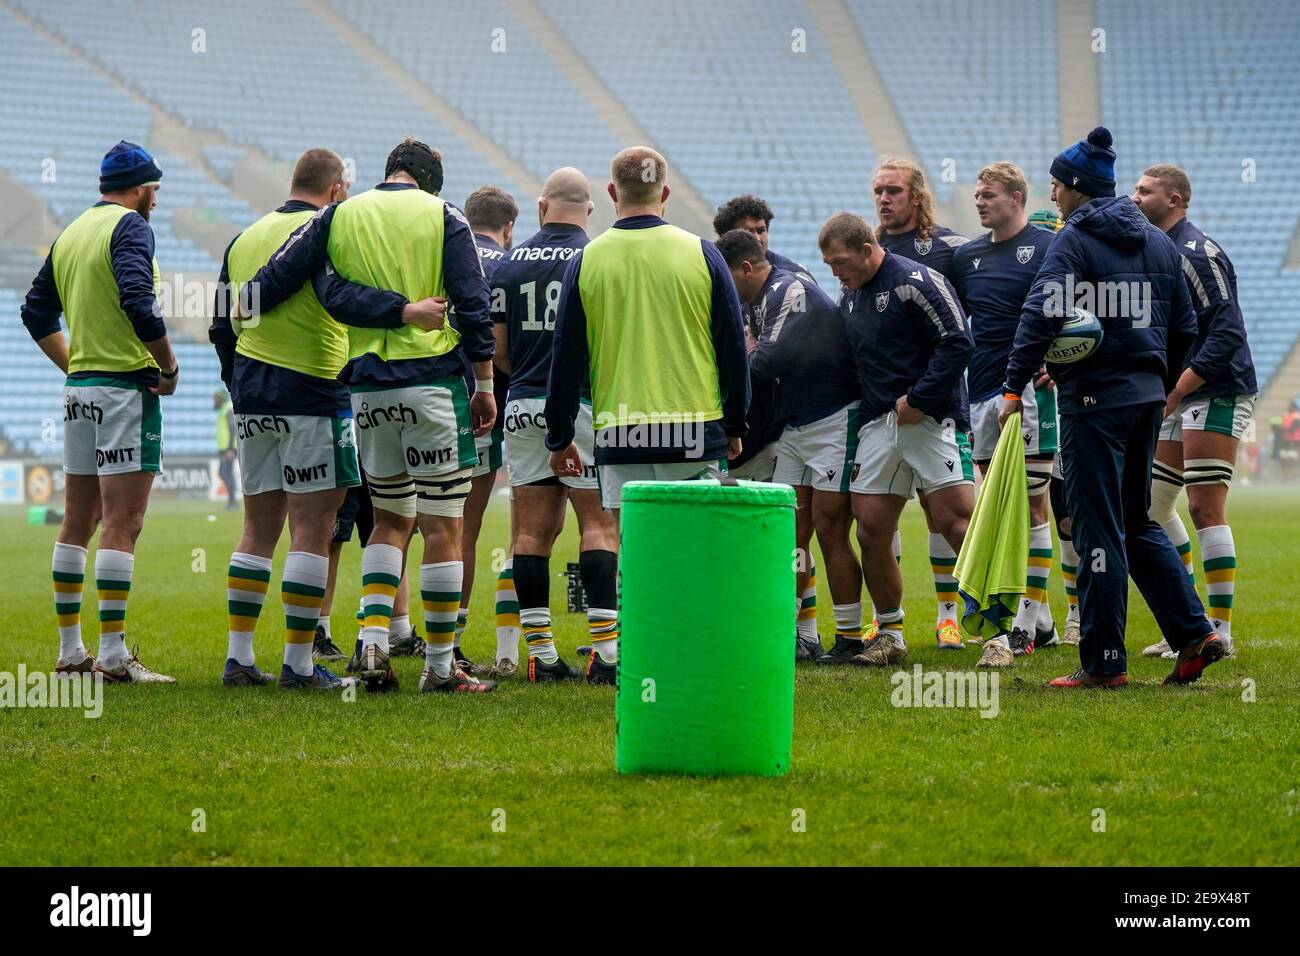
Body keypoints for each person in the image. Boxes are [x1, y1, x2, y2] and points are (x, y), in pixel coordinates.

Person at [234, 137, 499, 694]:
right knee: (442, 525)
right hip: (432, 386)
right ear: (430, 183)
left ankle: (373, 645)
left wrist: (248, 309)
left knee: (390, 520)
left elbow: (276, 289)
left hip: (367, 395)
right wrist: (483, 382)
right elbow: (473, 303)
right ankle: (442, 668)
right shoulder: (443, 216)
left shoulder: (338, 216)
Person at [1000, 126, 1223, 689]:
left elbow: (1041, 314)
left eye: (1055, 186)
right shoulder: (1156, 241)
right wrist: (1157, 379)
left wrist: (1012, 385)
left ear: (1075, 187)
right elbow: (1186, 326)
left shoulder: (1073, 242)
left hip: (1093, 405)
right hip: (1146, 400)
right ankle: (1195, 632)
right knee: (1135, 521)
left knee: (1098, 529)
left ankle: (1103, 662)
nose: (1052, 196)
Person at [212, 147, 431, 690]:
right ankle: (299, 665)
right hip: (314, 389)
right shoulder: (330, 231)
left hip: (254, 391)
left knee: (256, 530)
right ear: (337, 189)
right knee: (311, 532)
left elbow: (222, 322)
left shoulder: (245, 237)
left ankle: (239, 659)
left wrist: (237, 386)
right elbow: (344, 300)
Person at [544, 146, 749, 681]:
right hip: (694, 428)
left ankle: (642, 660)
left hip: (621, 432)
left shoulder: (586, 259)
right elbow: (733, 349)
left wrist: (560, 434)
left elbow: (565, 358)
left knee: (634, 553)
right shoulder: (703, 253)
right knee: (696, 548)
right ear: (666, 192)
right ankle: (696, 656)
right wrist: (736, 425)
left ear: (611, 194)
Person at [21, 140, 178, 683]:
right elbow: (140, 301)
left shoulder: (71, 233)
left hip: (81, 392)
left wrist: (73, 366)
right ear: (139, 187)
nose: (155, 198)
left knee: (77, 520)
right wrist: (169, 366)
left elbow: (35, 311)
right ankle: (112, 656)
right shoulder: (130, 227)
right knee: (122, 523)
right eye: (154, 188)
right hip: (123, 391)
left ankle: (71, 655)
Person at [820, 211, 974, 666]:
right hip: (877, 425)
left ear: (867, 250)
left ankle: (999, 633)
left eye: (840, 262)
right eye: (829, 265)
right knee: (871, 531)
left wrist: (920, 399)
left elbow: (958, 341)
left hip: (931, 421)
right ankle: (890, 634)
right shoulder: (849, 295)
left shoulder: (917, 280)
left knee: (957, 524)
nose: (836, 272)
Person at [493, 167, 619, 683]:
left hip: (522, 402)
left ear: (542, 206)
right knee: (600, 525)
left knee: (530, 533)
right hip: (583, 406)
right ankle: (605, 655)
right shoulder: (597, 257)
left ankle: (541, 656)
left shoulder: (507, 263)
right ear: (590, 211)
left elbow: (498, 353)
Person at [717, 228, 862, 664]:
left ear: (746, 268)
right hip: (795, 426)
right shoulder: (758, 298)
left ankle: (851, 636)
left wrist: (748, 351)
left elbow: (766, 362)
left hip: (834, 418)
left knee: (832, 528)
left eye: (729, 279)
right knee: (791, 531)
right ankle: (787, 630)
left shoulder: (788, 288)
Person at [1132, 164, 1257, 660]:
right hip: (1175, 393)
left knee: (1205, 505)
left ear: (1176, 198)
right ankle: (1188, 622)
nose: (1135, 198)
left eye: (1145, 191)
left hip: (1216, 389)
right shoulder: (1157, 250)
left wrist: (1178, 388)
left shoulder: (1196, 252)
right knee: (1152, 506)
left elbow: (1226, 333)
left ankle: (1220, 630)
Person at [949, 162, 1061, 668]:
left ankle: (1023, 627)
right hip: (981, 397)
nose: (979, 202)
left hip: (1030, 395)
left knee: (1033, 508)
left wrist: (1059, 359)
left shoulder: (1048, 247)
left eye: (989, 195)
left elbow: (1076, 310)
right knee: (998, 504)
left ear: (1016, 197)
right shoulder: (967, 255)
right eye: (976, 195)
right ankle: (1043, 621)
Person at [872, 158, 972, 648]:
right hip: (881, 411)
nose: (884, 199)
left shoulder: (951, 249)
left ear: (916, 195)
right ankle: (883, 619)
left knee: (942, 513)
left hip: (938, 407)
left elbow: (967, 325)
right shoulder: (867, 251)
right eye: (878, 191)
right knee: (876, 511)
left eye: (892, 190)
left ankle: (949, 615)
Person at [454, 185, 517, 672]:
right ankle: (448, 642)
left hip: (414, 391)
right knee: (461, 529)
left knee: (395, 524)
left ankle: (381, 633)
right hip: (478, 403)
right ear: (508, 227)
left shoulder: (442, 247)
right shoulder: (506, 267)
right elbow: (501, 351)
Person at [713, 194, 816, 283]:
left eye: (761, 230)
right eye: (748, 232)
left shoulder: (795, 275)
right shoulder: (713, 273)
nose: (757, 238)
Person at [213, 389, 239, 510]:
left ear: (221, 398)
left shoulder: (228, 409)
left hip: (228, 449)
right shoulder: (224, 409)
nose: (214, 401)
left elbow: (233, 429)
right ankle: (232, 502)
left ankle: (232, 501)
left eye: (216, 398)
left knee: (225, 473)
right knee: (226, 473)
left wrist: (231, 449)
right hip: (225, 449)